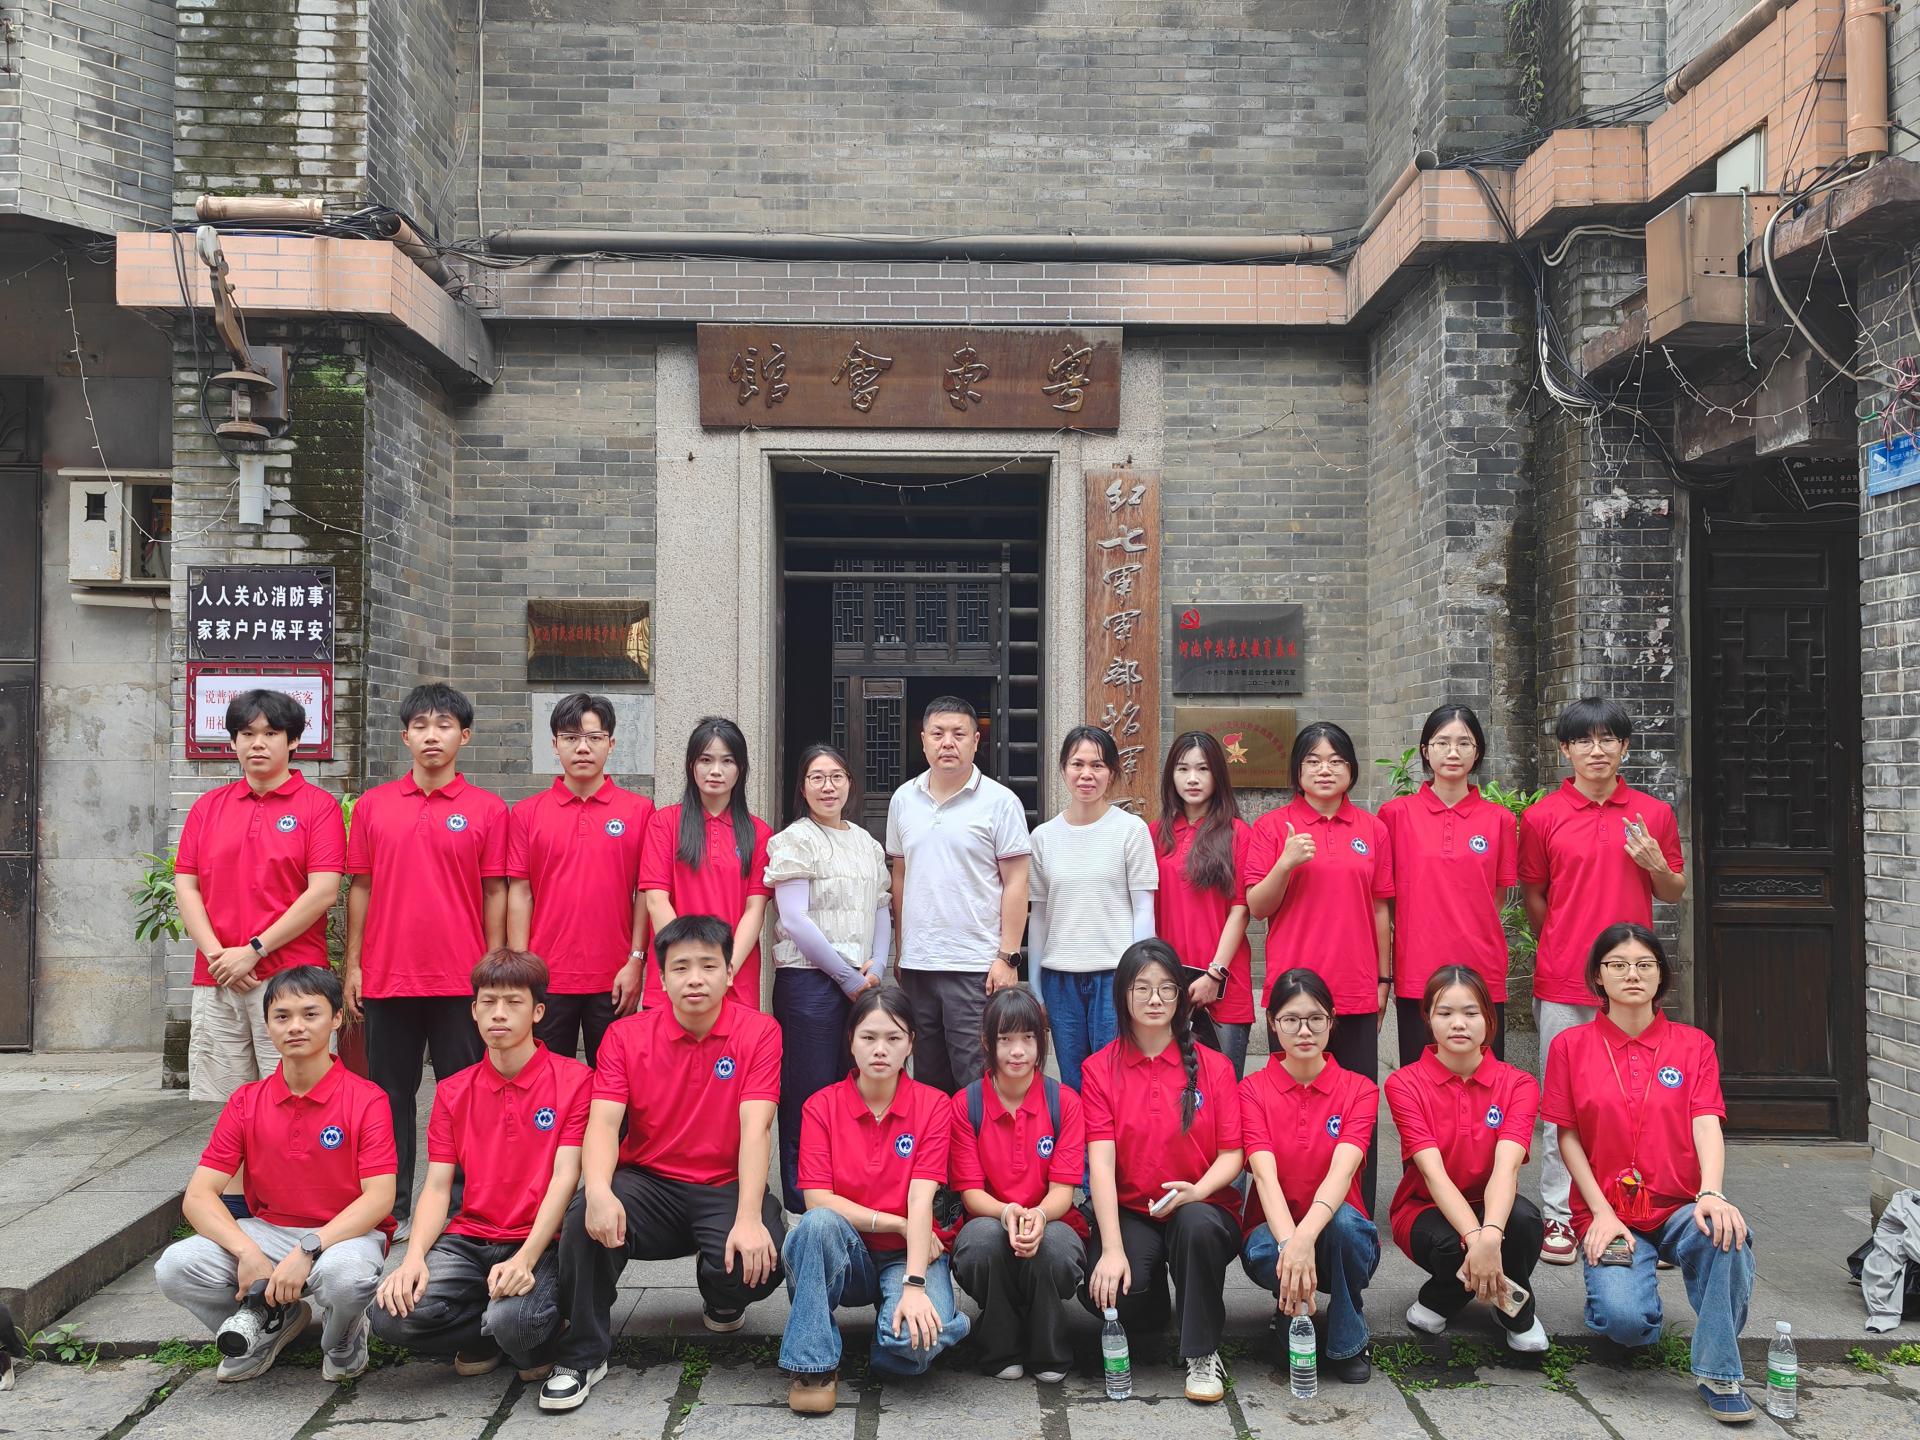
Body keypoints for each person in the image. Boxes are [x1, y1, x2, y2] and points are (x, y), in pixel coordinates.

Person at [545, 915, 785, 1412]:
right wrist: (600, 1191)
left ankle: (720, 1294)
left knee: (759, 1261)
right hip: (649, 1184)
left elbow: (756, 1127)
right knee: (584, 1215)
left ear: (729, 973)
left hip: (723, 1184)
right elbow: (604, 1123)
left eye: (708, 966)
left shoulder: (759, 1032)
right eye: (681, 967)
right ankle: (582, 1354)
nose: (694, 979)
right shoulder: (624, 1036)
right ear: (661, 977)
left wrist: (748, 1217)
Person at [1544, 923, 1757, 1423]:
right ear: (1598, 977)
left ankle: (1718, 1371)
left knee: (1727, 1234)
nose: (1632, 974)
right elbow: (1567, 1136)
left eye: (1644, 964)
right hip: (1608, 1214)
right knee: (1626, 1323)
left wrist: (1712, 1192)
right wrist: (1600, 1213)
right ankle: (1629, 1292)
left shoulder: (1693, 1045)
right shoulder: (1571, 1046)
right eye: (1617, 965)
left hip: (1680, 1206)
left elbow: (1706, 1121)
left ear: (1661, 975)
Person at [154, 966, 394, 1384]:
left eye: (310, 1014)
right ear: (267, 1025)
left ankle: (343, 1337)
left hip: (346, 1234)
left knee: (345, 1278)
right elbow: (199, 1196)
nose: (295, 1026)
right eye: (282, 1016)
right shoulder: (247, 1101)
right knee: (175, 1267)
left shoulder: (367, 1099)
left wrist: (308, 1249)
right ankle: (269, 1322)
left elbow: (379, 1198)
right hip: (268, 1229)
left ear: (337, 1018)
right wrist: (248, 1252)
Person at [371, 950, 593, 1382]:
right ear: (473, 1011)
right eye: (488, 1002)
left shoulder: (575, 1081)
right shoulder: (453, 1090)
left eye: (513, 1002)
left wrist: (525, 1258)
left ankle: (519, 1326)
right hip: (469, 1238)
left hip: (540, 1240)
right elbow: (438, 1187)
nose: (499, 1013)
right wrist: (413, 1259)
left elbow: (566, 1177)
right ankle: (494, 1330)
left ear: (538, 1012)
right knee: (388, 1315)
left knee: (517, 1324)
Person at [1519, 697, 1685, 1265]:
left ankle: (1645, 1212)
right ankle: (1559, 1214)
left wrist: (1655, 863)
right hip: (1565, 978)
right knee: (1561, 1103)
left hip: (1634, 982)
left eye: (1608, 739)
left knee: (1641, 1099)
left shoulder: (1652, 814)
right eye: (1584, 741)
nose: (1597, 750)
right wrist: (1565, 942)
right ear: (1565, 750)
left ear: (1625, 747)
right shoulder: (1543, 816)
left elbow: (1673, 890)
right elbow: (1535, 895)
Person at [345, 682, 507, 1231]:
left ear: (465, 736)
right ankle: (391, 1209)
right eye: (420, 726)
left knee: (465, 1095)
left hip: (462, 980)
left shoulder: (487, 809)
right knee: (390, 1096)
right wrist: (354, 965)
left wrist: (493, 969)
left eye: (443, 725)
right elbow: (360, 887)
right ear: (405, 737)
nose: (431, 735)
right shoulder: (373, 806)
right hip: (388, 977)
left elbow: (495, 891)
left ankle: (462, 1208)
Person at [781, 988, 971, 1413]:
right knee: (815, 1225)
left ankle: (900, 1339)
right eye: (868, 1037)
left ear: (911, 1043)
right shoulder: (820, 1107)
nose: (880, 1049)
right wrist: (896, 1223)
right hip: (845, 1253)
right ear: (851, 1041)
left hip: (909, 1254)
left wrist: (915, 1285)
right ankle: (813, 1366)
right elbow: (817, 1199)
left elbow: (921, 1199)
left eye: (893, 1038)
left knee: (914, 1345)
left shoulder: (933, 1105)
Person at [1081, 939, 1244, 1405]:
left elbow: (1233, 1155)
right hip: (1134, 1212)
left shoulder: (1214, 1067)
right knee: (1104, 1288)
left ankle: (1202, 1352)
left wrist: (1198, 1190)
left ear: (1181, 995)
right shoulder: (1099, 1069)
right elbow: (1101, 1165)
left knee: (1195, 1225)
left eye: (1167, 988)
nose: (1155, 999)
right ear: (1123, 995)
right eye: (1142, 988)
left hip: (1203, 1207)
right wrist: (1112, 1249)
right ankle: (1153, 1305)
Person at [1245, 721, 1393, 1216]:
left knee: (1357, 1104)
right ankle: (1287, 1208)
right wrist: (1285, 863)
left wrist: (1383, 980)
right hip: (1293, 995)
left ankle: (1355, 1214)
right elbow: (1258, 906)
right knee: (1291, 1105)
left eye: (1335, 760)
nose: (1324, 770)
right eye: (1313, 760)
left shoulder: (1372, 829)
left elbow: (1380, 910)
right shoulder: (1273, 828)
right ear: (1297, 770)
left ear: (1351, 768)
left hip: (1354, 987)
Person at [176, 688, 345, 1104]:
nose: (257, 743)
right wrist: (220, 958)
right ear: (233, 741)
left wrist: (254, 950)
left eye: (271, 733)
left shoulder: (318, 807)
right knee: (223, 1105)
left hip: (293, 980)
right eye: (247, 734)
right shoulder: (208, 807)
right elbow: (187, 885)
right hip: (219, 977)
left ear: (293, 740)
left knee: (301, 1100)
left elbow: (323, 891)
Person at [1383, 965, 1547, 1353]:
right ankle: (1505, 1303)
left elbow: (1506, 1168)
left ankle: (1453, 1301)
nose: (1459, 1024)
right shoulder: (1403, 1084)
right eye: (1445, 1013)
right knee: (1452, 1245)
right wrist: (1478, 1240)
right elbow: (1433, 1175)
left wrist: (1490, 1234)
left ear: (1489, 1018)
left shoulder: (1519, 1084)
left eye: (1471, 1013)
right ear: (1428, 1018)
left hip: (1492, 1203)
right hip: (1424, 1208)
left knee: (1524, 1223)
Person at [764, 743, 892, 1213]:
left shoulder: (867, 843)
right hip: (809, 984)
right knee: (808, 1092)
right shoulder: (795, 840)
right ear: (803, 788)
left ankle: (846, 1193)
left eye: (836, 776)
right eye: (816, 777)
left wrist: (878, 965)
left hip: (861, 982)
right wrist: (845, 976)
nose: (828, 786)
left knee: (852, 1088)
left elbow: (882, 908)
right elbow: (795, 919)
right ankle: (802, 1202)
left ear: (849, 784)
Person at [1238, 968, 1379, 1383]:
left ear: (1332, 1021)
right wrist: (1290, 1244)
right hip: (1272, 1235)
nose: (1304, 1031)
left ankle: (1348, 1335)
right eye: (1291, 1020)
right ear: (1272, 1022)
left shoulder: (1359, 1089)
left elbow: (1342, 1172)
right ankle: (1291, 1308)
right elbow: (1264, 1176)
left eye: (1316, 1018)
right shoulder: (1252, 1090)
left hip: (1339, 1230)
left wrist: (1303, 1242)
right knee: (1266, 1249)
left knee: (1347, 1228)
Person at [886, 695, 1032, 1092]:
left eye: (958, 734)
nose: (947, 743)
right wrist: (901, 950)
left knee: (975, 1078)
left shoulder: (1000, 802)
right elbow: (900, 876)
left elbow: (1017, 882)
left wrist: (1008, 956)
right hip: (919, 966)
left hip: (975, 966)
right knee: (927, 1080)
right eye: (938, 734)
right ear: (923, 740)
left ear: (975, 741)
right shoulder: (903, 799)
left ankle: (976, 1138)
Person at [948, 986, 1088, 1383]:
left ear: (1042, 1042)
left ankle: (1049, 1348)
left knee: (1055, 1249)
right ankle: (1000, 1346)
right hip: (990, 1220)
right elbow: (971, 1194)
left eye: (1028, 1038)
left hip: (1052, 1219)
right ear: (986, 1042)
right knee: (980, 1244)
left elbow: (1063, 1191)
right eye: (1005, 1039)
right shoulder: (966, 1104)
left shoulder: (1064, 1102)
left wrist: (1038, 1216)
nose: (1018, 1051)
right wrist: (1007, 1212)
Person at [506, 693, 653, 1066]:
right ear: (555, 745)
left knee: (615, 1084)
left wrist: (636, 960)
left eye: (594, 737)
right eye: (571, 738)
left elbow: (645, 892)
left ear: (611, 743)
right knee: (547, 1083)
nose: (582, 747)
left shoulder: (639, 811)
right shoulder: (527, 814)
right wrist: (523, 969)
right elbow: (520, 892)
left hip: (615, 977)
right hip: (547, 976)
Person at [1379, 704, 1519, 1067]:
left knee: (1484, 1077)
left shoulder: (1500, 820)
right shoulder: (1395, 815)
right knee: (1420, 1078)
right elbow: (1387, 897)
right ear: (1425, 750)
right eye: (1442, 742)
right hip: (1418, 966)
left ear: (1478, 751)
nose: (1453, 752)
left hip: (1481, 968)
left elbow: (1497, 896)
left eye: (1464, 743)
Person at [1029, 725, 1157, 1089]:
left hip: (1115, 976)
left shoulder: (1131, 831)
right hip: (1060, 978)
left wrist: (1141, 977)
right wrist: (1036, 986)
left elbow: (1143, 909)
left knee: (1115, 1080)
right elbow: (1038, 917)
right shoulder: (1043, 837)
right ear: (1063, 769)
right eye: (1078, 764)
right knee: (1072, 1081)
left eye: (1098, 765)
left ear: (1112, 772)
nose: (1087, 774)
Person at [639, 717, 773, 1011]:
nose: (716, 771)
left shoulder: (759, 833)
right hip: (676, 978)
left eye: (727, 761)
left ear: (741, 769)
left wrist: (724, 970)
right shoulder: (664, 823)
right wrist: (687, 967)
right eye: (705, 760)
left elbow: (755, 910)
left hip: (735, 978)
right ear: (691, 765)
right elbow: (656, 902)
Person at [1153, 730, 1256, 1077]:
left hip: (1223, 987)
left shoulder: (1238, 833)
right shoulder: (1155, 834)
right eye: (1183, 769)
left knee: (1222, 1091)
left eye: (1203, 769)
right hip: (1167, 985)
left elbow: (1241, 910)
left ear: (1218, 775)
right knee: (1171, 1092)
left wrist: (1215, 973)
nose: (1192, 779)